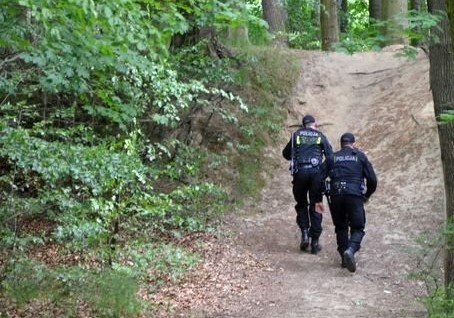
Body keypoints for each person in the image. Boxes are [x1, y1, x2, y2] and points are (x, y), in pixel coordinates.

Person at [325, 132, 377, 272]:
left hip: (336, 194)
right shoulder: (359, 156)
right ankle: (351, 250)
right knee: (358, 227)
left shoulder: (332, 157)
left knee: (341, 227)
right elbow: (372, 179)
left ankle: (343, 258)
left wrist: (317, 198)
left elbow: (319, 178)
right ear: (353, 143)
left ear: (341, 144)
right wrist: (367, 195)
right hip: (354, 195)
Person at [282, 114, 333, 254]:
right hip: (316, 174)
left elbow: (286, 154)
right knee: (317, 205)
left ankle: (304, 233)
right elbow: (330, 157)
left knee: (301, 204)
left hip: (300, 174)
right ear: (314, 124)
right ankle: (315, 242)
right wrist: (325, 173)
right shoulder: (320, 135)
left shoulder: (296, 135)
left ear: (303, 124)